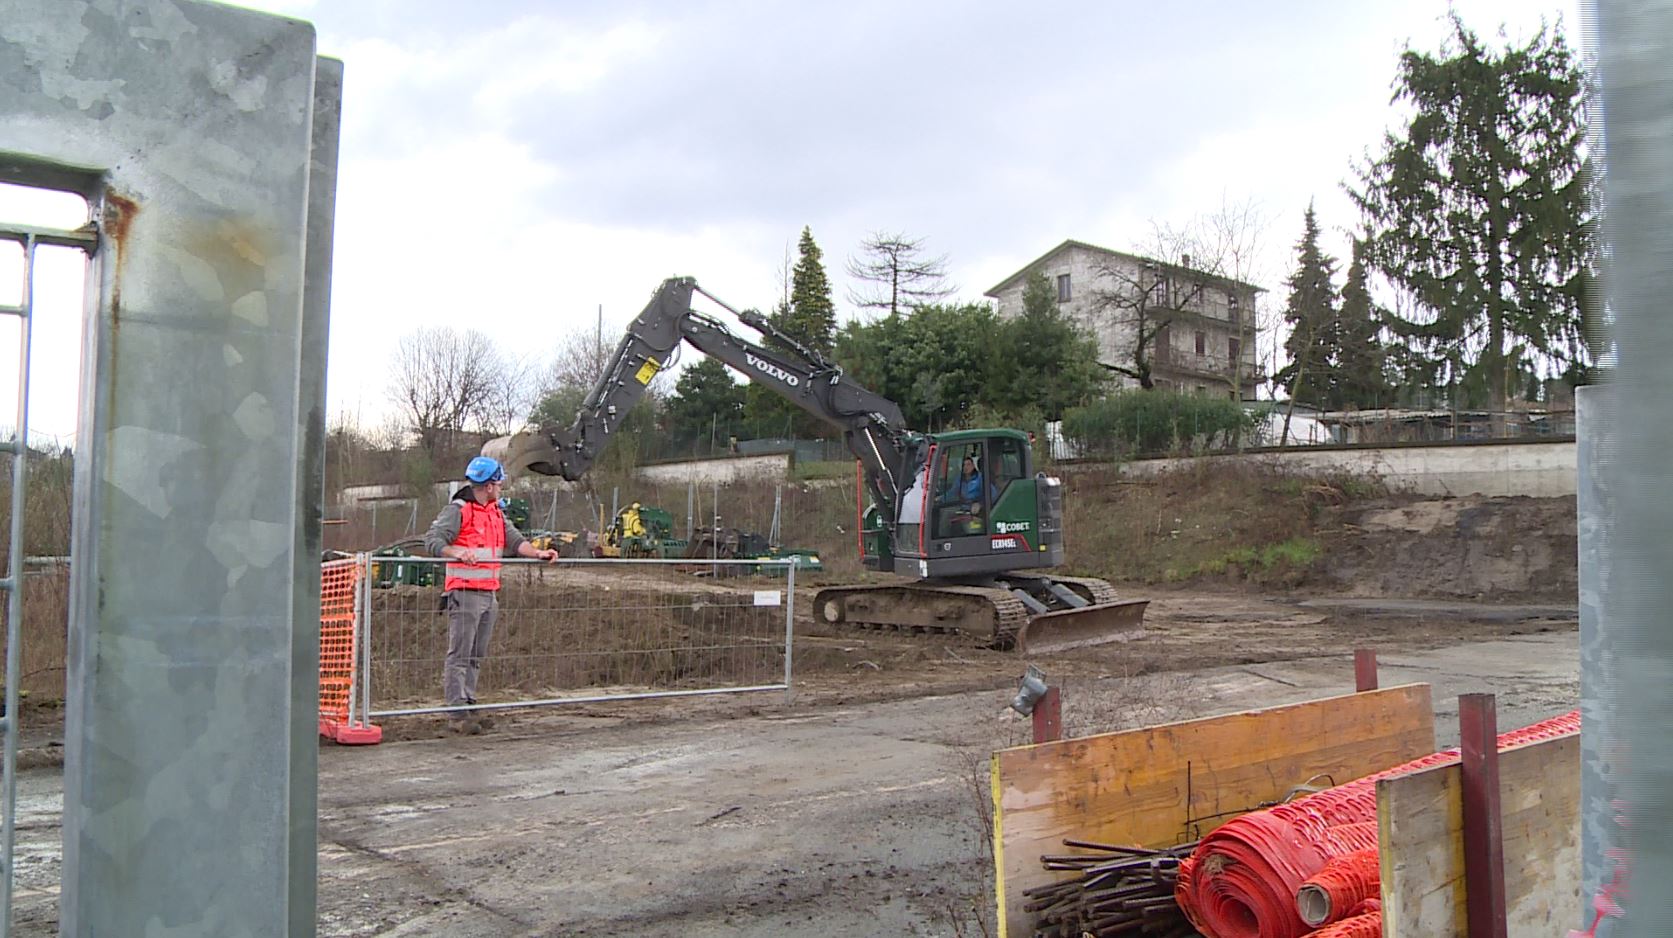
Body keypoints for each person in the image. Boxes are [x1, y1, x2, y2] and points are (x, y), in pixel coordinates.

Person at [424, 455, 558, 734]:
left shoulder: (495, 511)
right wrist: (456, 552)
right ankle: (457, 711)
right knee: (460, 654)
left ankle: (469, 702)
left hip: (488, 593)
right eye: (498, 483)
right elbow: (433, 541)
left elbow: (515, 540)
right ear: (488, 486)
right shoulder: (458, 510)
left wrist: (538, 553)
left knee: (475, 654)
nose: (501, 488)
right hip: (464, 593)